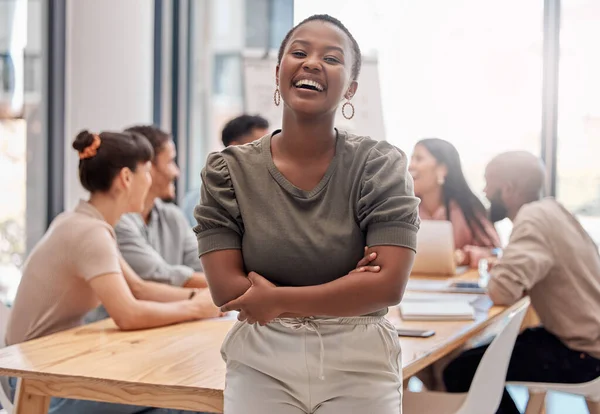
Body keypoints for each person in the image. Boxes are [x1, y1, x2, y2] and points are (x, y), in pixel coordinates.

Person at [195, 14, 420, 414]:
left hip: (360, 358)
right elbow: (227, 290)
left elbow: (387, 286)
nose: (312, 62)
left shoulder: (380, 164)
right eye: (299, 52)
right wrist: (346, 287)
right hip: (261, 356)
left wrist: (277, 298)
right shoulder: (227, 171)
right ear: (278, 72)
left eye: (331, 58)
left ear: (350, 88)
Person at [6, 129, 220, 414]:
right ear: (126, 178)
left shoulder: (87, 223)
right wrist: (196, 308)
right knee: (185, 404)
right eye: (146, 171)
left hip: (52, 367)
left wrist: (200, 297)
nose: (150, 181)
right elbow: (128, 313)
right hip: (37, 379)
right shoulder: (89, 231)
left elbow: (139, 288)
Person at [442, 151, 600, 414]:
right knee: (486, 356)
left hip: (582, 354)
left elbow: (502, 292)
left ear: (508, 189)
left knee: (461, 370)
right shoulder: (553, 209)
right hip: (586, 337)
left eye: (488, 183)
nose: (484, 190)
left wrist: (498, 268)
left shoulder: (531, 220)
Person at [409, 138, 500, 266]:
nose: (410, 165)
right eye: (411, 159)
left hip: (458, 282)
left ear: (442, 169)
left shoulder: (467, 208)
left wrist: (466, 256)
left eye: (418, 159)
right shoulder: (405, 209)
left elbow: (496, 252)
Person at [182, 114, 269, 226]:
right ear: (234, 149)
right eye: (258, 147)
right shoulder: (200, 200)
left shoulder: (272, 192)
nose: (267, 155)